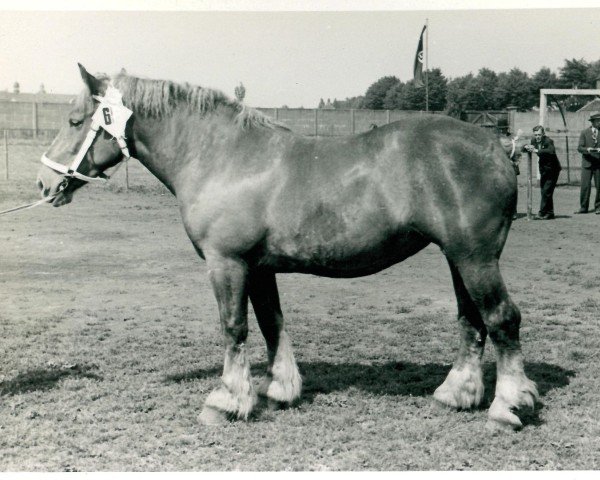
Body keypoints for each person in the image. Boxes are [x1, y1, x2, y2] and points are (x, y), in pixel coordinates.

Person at [522, 125, 562, 220]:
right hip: (543, 169)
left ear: (543, 134)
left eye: (539, 134)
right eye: (535, 135)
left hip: (553, 170)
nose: (537, 137)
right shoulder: (533, 141)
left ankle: (541, 213)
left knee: (546, 191)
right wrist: (526, 146)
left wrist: (536, 150)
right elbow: (523, 148)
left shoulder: (548, 141)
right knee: (545, 191)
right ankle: (550, 213)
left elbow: (551, 151)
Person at [575, 113, 600, 214]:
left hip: (599, 163)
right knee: (585, 186)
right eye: (598, 121)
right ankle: (583, 207)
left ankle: (598, 207)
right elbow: (579, 147)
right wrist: (587, 149)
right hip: (587, 163)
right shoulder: (584, 132)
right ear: (593, 122)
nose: (599, 122)